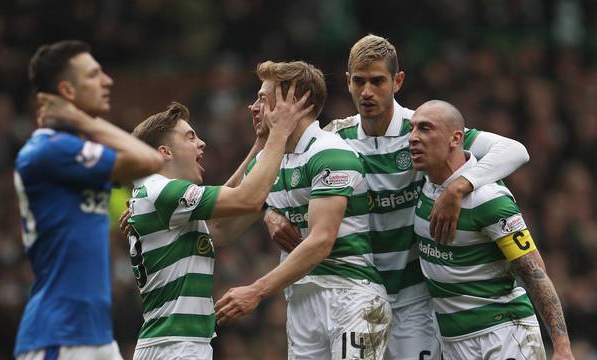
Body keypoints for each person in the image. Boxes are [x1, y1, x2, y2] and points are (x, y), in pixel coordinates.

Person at [264, 34, 531, 360]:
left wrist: (459, 186)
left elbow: (515, 150)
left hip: (413, 298)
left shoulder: (421, 129)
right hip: (356, 294)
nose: (367, 92)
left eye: (377, 81)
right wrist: (269, 211)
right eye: (359, 81)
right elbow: (282, 170)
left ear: (397, 81)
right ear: (347, 82)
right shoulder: (335, 139)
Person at [214, 60, 392, 360]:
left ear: (293, 102)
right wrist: (260, 150)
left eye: (263, 98)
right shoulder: (268, 161)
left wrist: (256, 290)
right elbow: (220, 229)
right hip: (301, 301)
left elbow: (321, 241)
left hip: (353, 297)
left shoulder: (330, 153)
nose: (252, 107)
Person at [125, 83, 312, 359]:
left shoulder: (158, 198)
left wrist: (261, 144)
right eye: (190, 137)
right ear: (165, 152)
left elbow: (222, 227)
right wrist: (280, 134)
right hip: (175, 347)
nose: (201, 143)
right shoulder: (160, 190)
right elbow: (246, 199)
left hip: (175, 344)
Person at [13, 40, 163, 360]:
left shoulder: (73, 152)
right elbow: (148, 159)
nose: (107, 81)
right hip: (59, 335)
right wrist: (83, 121)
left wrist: (82, 124)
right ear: (67, 91)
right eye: (94, 75)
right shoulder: (48, 150)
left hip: (95, 335)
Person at [410, 100, 574, 360]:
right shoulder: (425, 185)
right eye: (412, 129)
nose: (413, 138)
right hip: (452, 342)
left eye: (425, 129)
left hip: (502, 338)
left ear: (455, 139)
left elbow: (534, 272)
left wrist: (562, 347)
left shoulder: (487, 199)